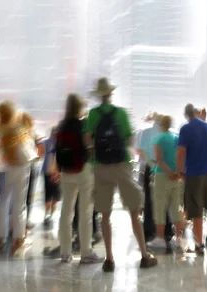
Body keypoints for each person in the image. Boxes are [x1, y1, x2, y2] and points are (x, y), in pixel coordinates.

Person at [84, 77, 157, 272]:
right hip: (122, 165)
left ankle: (109, 258)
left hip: (100, 167)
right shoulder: (121, 113)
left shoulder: (92, 114)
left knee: (105, 215)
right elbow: (130, 140)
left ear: (99, 96)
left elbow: (87, 142)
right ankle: (144, 255)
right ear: (111, 94)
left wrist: (96, 158)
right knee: (134, 212)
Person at [55, 93, 103, 264]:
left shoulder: (61, 126)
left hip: (66, 172)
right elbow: (89, 146)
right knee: (85, 212)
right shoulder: (83, 125)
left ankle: (65, 252)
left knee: (66, 212)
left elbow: (57, 150)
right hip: (83, 170)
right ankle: (86, 252)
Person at [176, 103, 207, 255]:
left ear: (186, 115)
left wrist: (180, 171)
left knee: (196, 210)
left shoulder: (185, 129)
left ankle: (200, 244)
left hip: (194, 174)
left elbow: (181, 151)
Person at [0, 101, 37, 255]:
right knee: (19, 205)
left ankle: (0, 238)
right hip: (21, 169)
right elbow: (28, 147)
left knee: (3, 204)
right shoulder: (18, 129)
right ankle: (18, 240)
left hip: (5, 170)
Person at [148, 115, 184, 252]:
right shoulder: (176, 138)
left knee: (160, 207)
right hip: (176, 176)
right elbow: (181, 156)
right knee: (176, 207)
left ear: (161, 125)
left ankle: (160, 238)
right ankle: (179, 238)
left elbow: (158, 160)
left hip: (162, 176)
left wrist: (168, 173)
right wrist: (177, 173)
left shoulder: (158, 139)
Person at [136, 112, 161, 241]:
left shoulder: (145, 132)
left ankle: (148, 228)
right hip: (162, 169)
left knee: (148, 200)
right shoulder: (166, 133)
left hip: (148, 168)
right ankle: (163, 230)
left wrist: (151, 164)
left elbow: (140, 151)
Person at [18, 112, 45, 231]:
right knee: (29, 196)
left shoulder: (16, 133)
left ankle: (17, 221)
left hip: (18, 168)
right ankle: (26, 221)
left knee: (18, 196)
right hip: (31, 167)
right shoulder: (32, 133)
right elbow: (39, 151)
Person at [40, 127, 60, 228]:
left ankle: (48, 215)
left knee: (49, 195)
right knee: (54, 195)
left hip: (48, 171)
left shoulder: (46, 141)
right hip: (57, 172)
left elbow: (38, 145)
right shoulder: (61, 142)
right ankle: (50, 215)